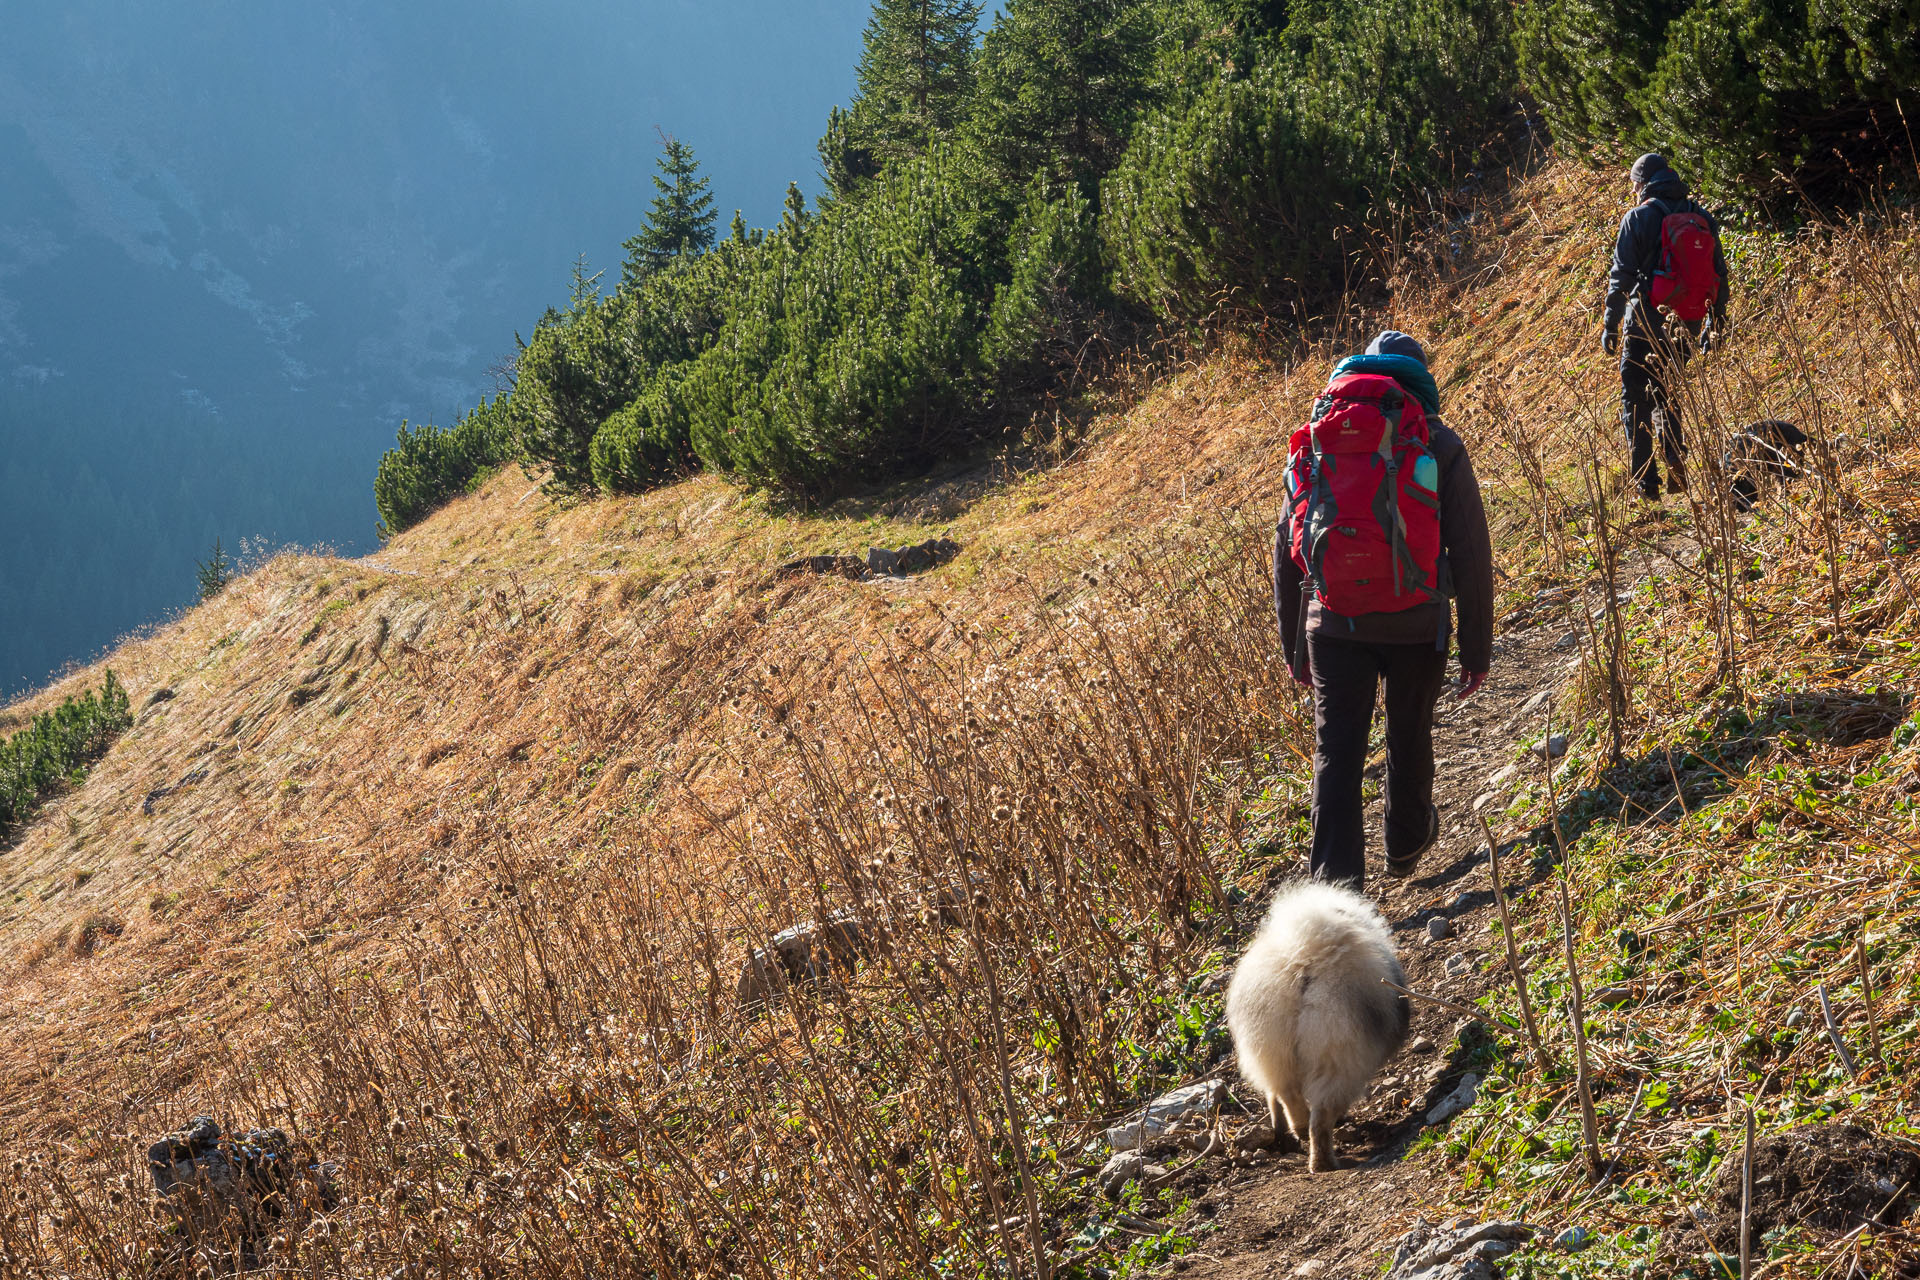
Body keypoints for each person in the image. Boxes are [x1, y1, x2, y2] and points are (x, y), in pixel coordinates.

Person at [1274, 331, 1494, 889]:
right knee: (1409, 731)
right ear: (1419, 378)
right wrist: (1476, 649)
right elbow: (1470, 549)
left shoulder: (1320, 439)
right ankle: (1406, 841)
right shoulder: (1437, 441)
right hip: (1415, 619)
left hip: (1334, 622)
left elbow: (1288, 547)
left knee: (1337, 751)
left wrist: (1295, 649)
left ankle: (1337, 888)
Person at [1602, 152, 1731, 499]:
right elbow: (1719, 274)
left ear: (1643, 184)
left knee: (1634, 399)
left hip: (1646, 320)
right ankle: (1675, 456)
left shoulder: (1638, 218)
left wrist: (1610, 323)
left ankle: (1646, 483)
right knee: (1668, 391)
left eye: (1634, 185)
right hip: (1687, 320)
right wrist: (1715, 324)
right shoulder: (1701, 216)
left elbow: (1621, 277)